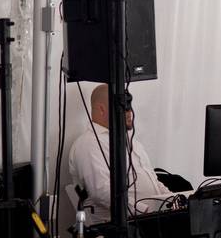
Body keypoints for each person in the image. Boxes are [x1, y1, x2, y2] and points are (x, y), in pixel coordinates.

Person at [68, 84, 172, 224]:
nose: (130, 113)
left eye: (130, 106)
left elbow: (152, 178)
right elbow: (102, 191)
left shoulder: (130, 140)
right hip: (120, 227)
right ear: (102, 109)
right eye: (124, 107)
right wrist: (143, 210)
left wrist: (172, 200)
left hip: (149, 220)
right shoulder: (88, 144)